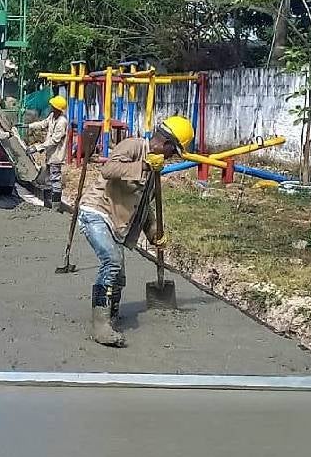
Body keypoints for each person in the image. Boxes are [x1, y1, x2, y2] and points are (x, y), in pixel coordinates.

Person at [79, 117, 193, 347]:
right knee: (111, 262)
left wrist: (153, 232)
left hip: (118, 224)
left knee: (119, 275)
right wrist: (143, 165)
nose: (172, 157)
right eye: (174, 151)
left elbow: (143, 206)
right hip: (97, 212)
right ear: (167, 144)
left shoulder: (155, 170)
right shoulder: (133, 146)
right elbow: (108, 169)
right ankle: (100, 324)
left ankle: (111, 315)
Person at [27, 95, 70, 209]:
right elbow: (43, 124)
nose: (50, 107)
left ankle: (56, 206)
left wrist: (38, 147)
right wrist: (28, 126)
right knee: (47, 180)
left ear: (57, 108)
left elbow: (55, 140)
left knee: (55, 180)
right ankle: (48, 204)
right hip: (49, 154)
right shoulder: (52, 117)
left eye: (52, 106)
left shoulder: (62, 122)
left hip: (56, 155)